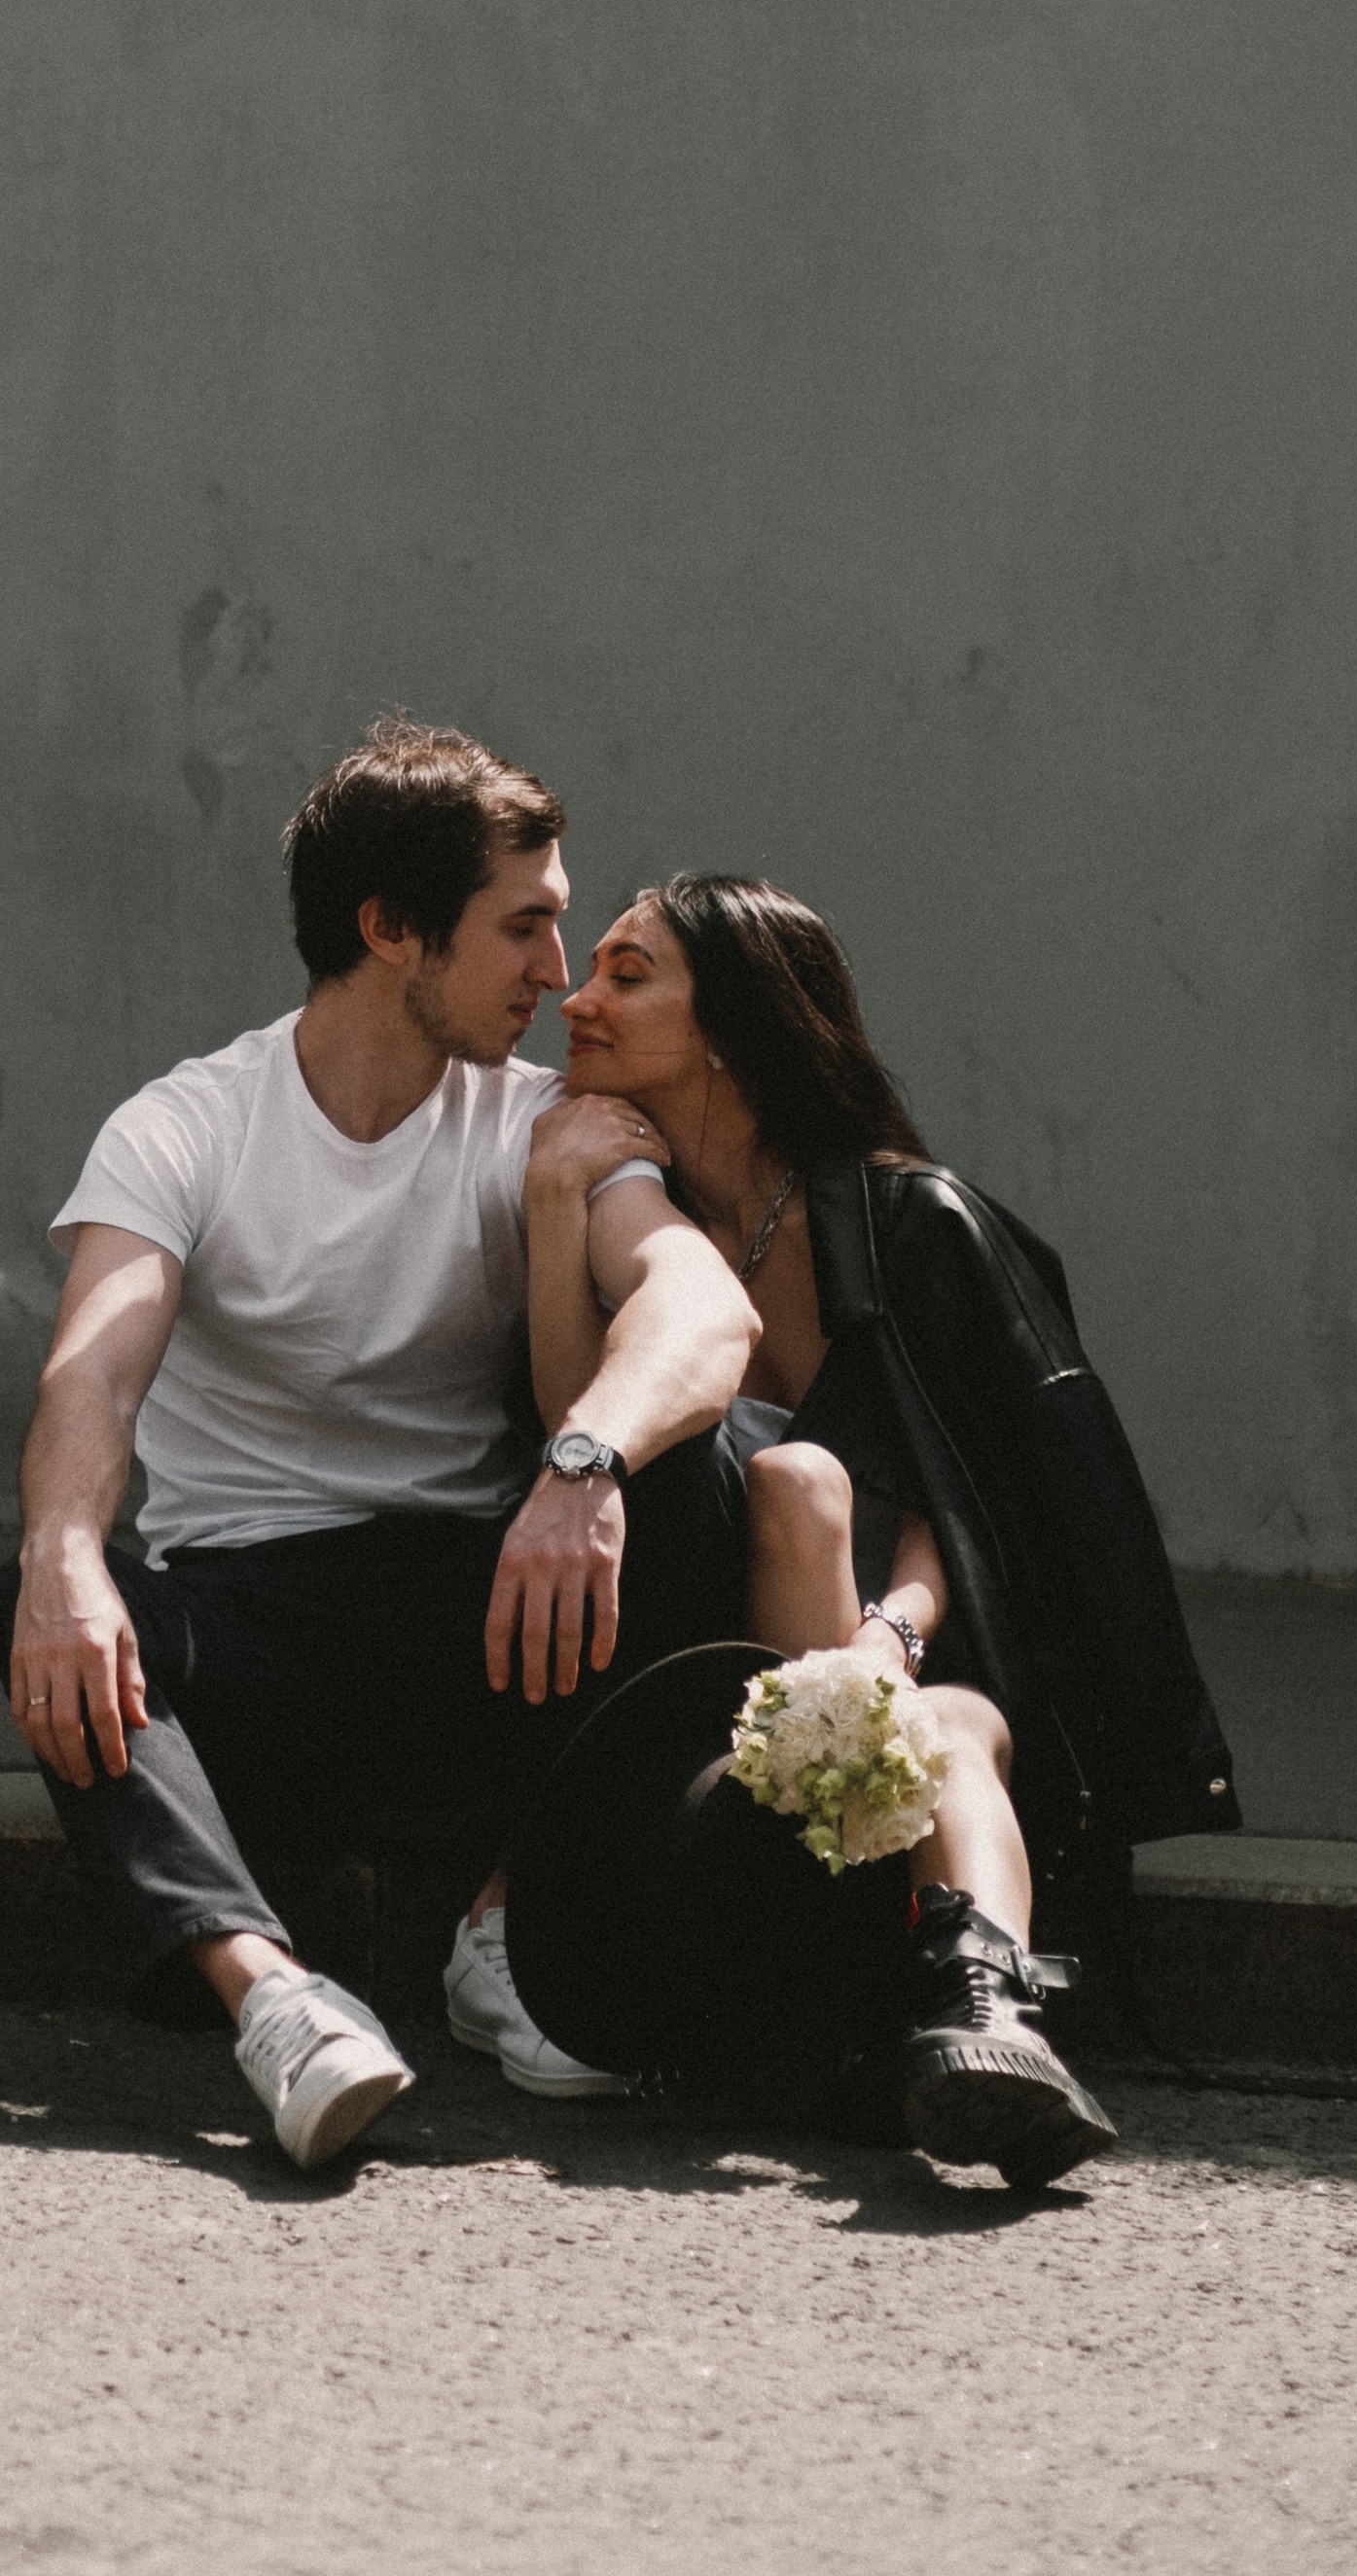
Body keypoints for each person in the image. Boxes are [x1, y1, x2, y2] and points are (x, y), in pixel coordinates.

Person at [0, 718, 762, 2170]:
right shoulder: (185, 1129)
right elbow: (92, 1377)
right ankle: (273, 2002)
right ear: (392, 927)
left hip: (482, 1630)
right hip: (255, 1637)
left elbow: (703, 1311)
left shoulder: (543, 1124)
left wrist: (583, 1464)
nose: (556, 973)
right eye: (521, 926)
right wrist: (64, 1557)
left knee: (681, 1471)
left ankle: (511, 1932)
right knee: (48, 1584)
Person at [506, 872, 1239, 2184]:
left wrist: (884, 1644)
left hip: (931, 1642)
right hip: (722, 1691)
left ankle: (988, 2019)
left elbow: (974, 1495)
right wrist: (559, 1200)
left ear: (732, 1026)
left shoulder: (910, 1221)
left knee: (938, 1713)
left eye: (628, 973)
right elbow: (580, 1423)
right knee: (799, 1492)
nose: (579, 997)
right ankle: (908, 2004)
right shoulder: (643, 1215)